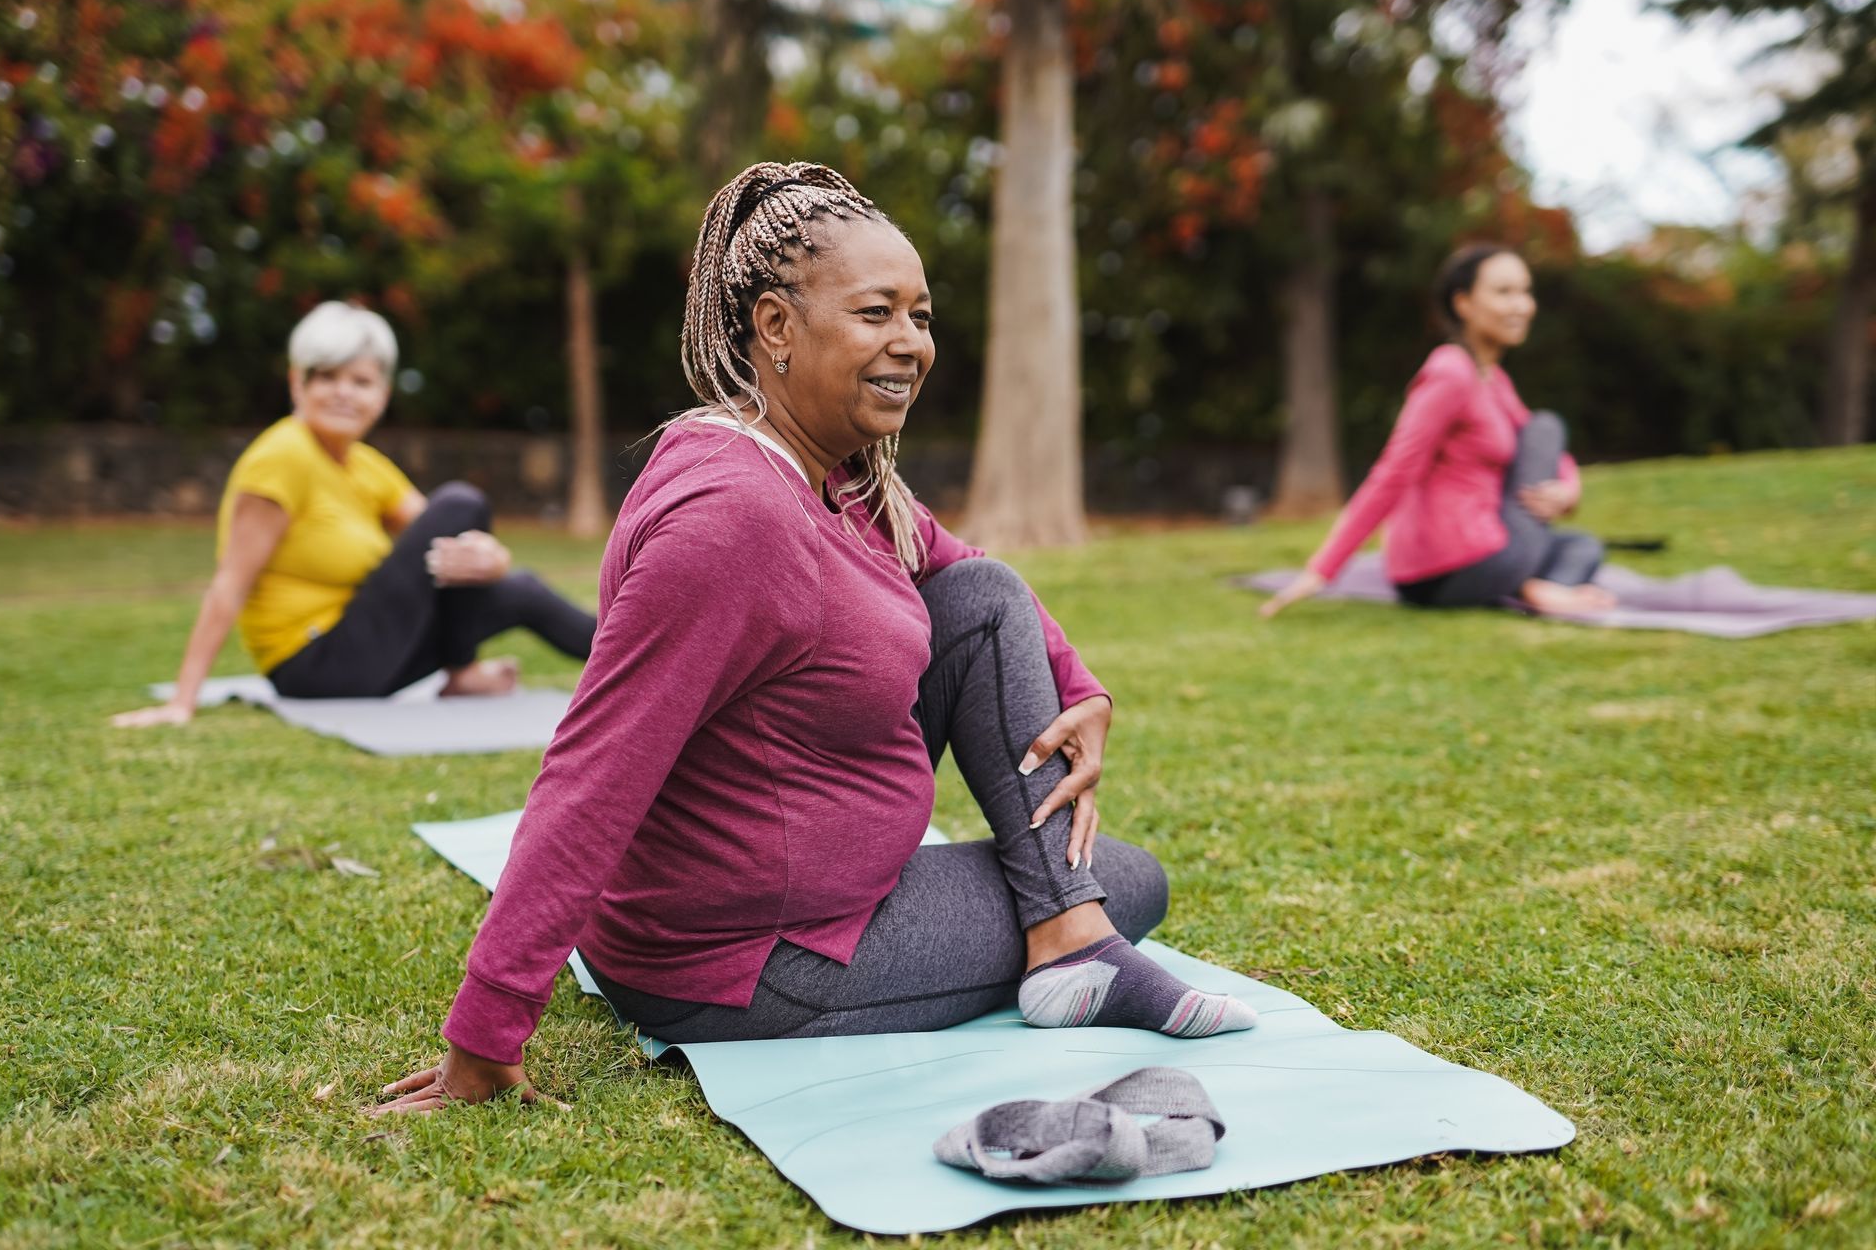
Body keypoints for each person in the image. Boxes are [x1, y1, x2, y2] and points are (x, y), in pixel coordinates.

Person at [372, 162, 1258, 1115]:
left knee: (984, 596)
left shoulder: (828, 477)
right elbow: (594, 770)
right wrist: (484, 1035)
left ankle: (1067, 934)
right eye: (877, 311)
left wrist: (1083, 686)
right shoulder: (733, 518)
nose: (911, 343)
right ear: (777, 329)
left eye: (921, 316)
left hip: (807, 893)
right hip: (755, 959)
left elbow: (963, 570)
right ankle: (1074, 935)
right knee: (1133, 879)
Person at [111, 302, 596, 727]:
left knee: (521, 589)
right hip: (315, 663)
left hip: (370, 648)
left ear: (381, 395)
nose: (344, 392)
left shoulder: (363, 464)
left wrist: (492, 558)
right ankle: (463, 672)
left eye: (360, 381)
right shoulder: (282, 457)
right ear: (297, 384)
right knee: (462, 502)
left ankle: (647, 655)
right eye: (327, 377)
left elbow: (446, 538)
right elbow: (230, 582)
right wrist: (182, 701)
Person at [1260, 244, 1614, 619]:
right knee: (1546, 425)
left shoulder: (1493, 380)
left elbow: (1552, 455)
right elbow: (1394, 471)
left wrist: (1568, 491)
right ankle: (1531, 587)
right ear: (1463, 304)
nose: (1522, 305)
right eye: (1504, 292)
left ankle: (1533, 587)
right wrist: (1322, 569)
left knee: (1583, 546)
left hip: (1479, 556)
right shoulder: (1451, 372)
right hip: (1453, 564)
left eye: (1525, 292)